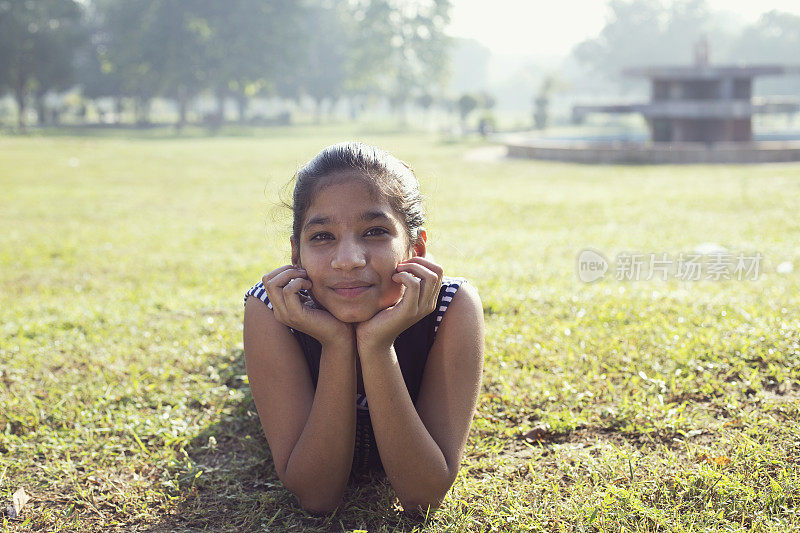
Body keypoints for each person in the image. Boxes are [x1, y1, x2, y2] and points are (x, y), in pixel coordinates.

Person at [242, 142, 484, 514]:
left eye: (374, 232)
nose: (349, 260)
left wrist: (375, 346)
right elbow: (317, 496)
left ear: (415, 247)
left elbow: (423, 496)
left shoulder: (451, 305)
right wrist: (337, 344)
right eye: (322, 236)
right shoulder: (271, 308)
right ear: (296, 254)